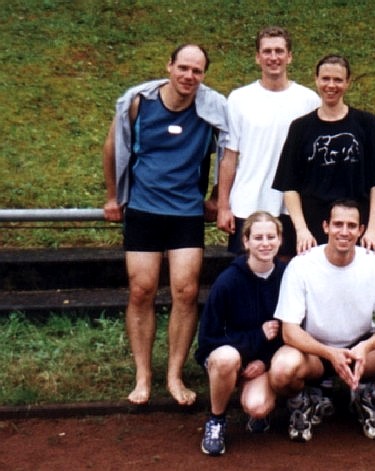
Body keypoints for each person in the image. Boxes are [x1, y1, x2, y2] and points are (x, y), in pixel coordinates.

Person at [102, 44, 228, 406]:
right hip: (143, 209)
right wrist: (113, 196)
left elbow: (230, 151)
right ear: (169, 65)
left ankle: (174, 375)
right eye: (183, 68)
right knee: (141, 290)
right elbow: (112, 147)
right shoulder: (138, 103)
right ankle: (143, 375)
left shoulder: (211, 110)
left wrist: (216, 196)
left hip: (186, 213)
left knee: (186, 292)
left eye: (197, 71)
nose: (189, 76)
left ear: (203, 75)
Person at [268, 200, 375, 442]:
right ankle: (302, 404)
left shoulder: (374, 263)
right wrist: (329, 353)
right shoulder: (302, 265)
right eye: (338, 224)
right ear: (326, 227)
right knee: (281, 370)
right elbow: (289, 332)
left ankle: (370, 398)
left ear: (361, 230)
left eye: (351, 226)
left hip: (359, 352)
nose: (344, 231)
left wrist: (366, 347)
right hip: (315, 352)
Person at [217, 26, 321, 258]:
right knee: (248, 271)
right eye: (267, 51)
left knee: (287, 273)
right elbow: (229, 157)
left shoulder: (309, 100)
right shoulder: (239, 99)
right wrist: (224, 206)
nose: (273, 57)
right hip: (248, 203)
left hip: (292, 207)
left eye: (279, 51)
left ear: (289, 56)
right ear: (257, 57)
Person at [273, 54, 375, 255]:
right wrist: (301, 230)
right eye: (325, 79)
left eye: (338, 80)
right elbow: (289, 186)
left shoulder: (366, 123)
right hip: (313, 228)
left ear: (347, 82)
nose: (331, 85)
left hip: (357, 226)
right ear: (316, 80)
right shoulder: (300, 128)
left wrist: (371, 230)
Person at [195, 211, 286, 456]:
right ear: (246, 241)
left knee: (257, 406)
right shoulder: (228, 281)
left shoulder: (287, 276)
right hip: (230, 357)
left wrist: (265, 362)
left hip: (263, 360)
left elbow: (292, 331)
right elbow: (208, 340)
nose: (265, 243)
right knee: (226, 358)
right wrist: (256, 338)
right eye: (258, 238)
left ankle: (266, 405)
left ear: (280, 240)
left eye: (271, 237)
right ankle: (216, 420)